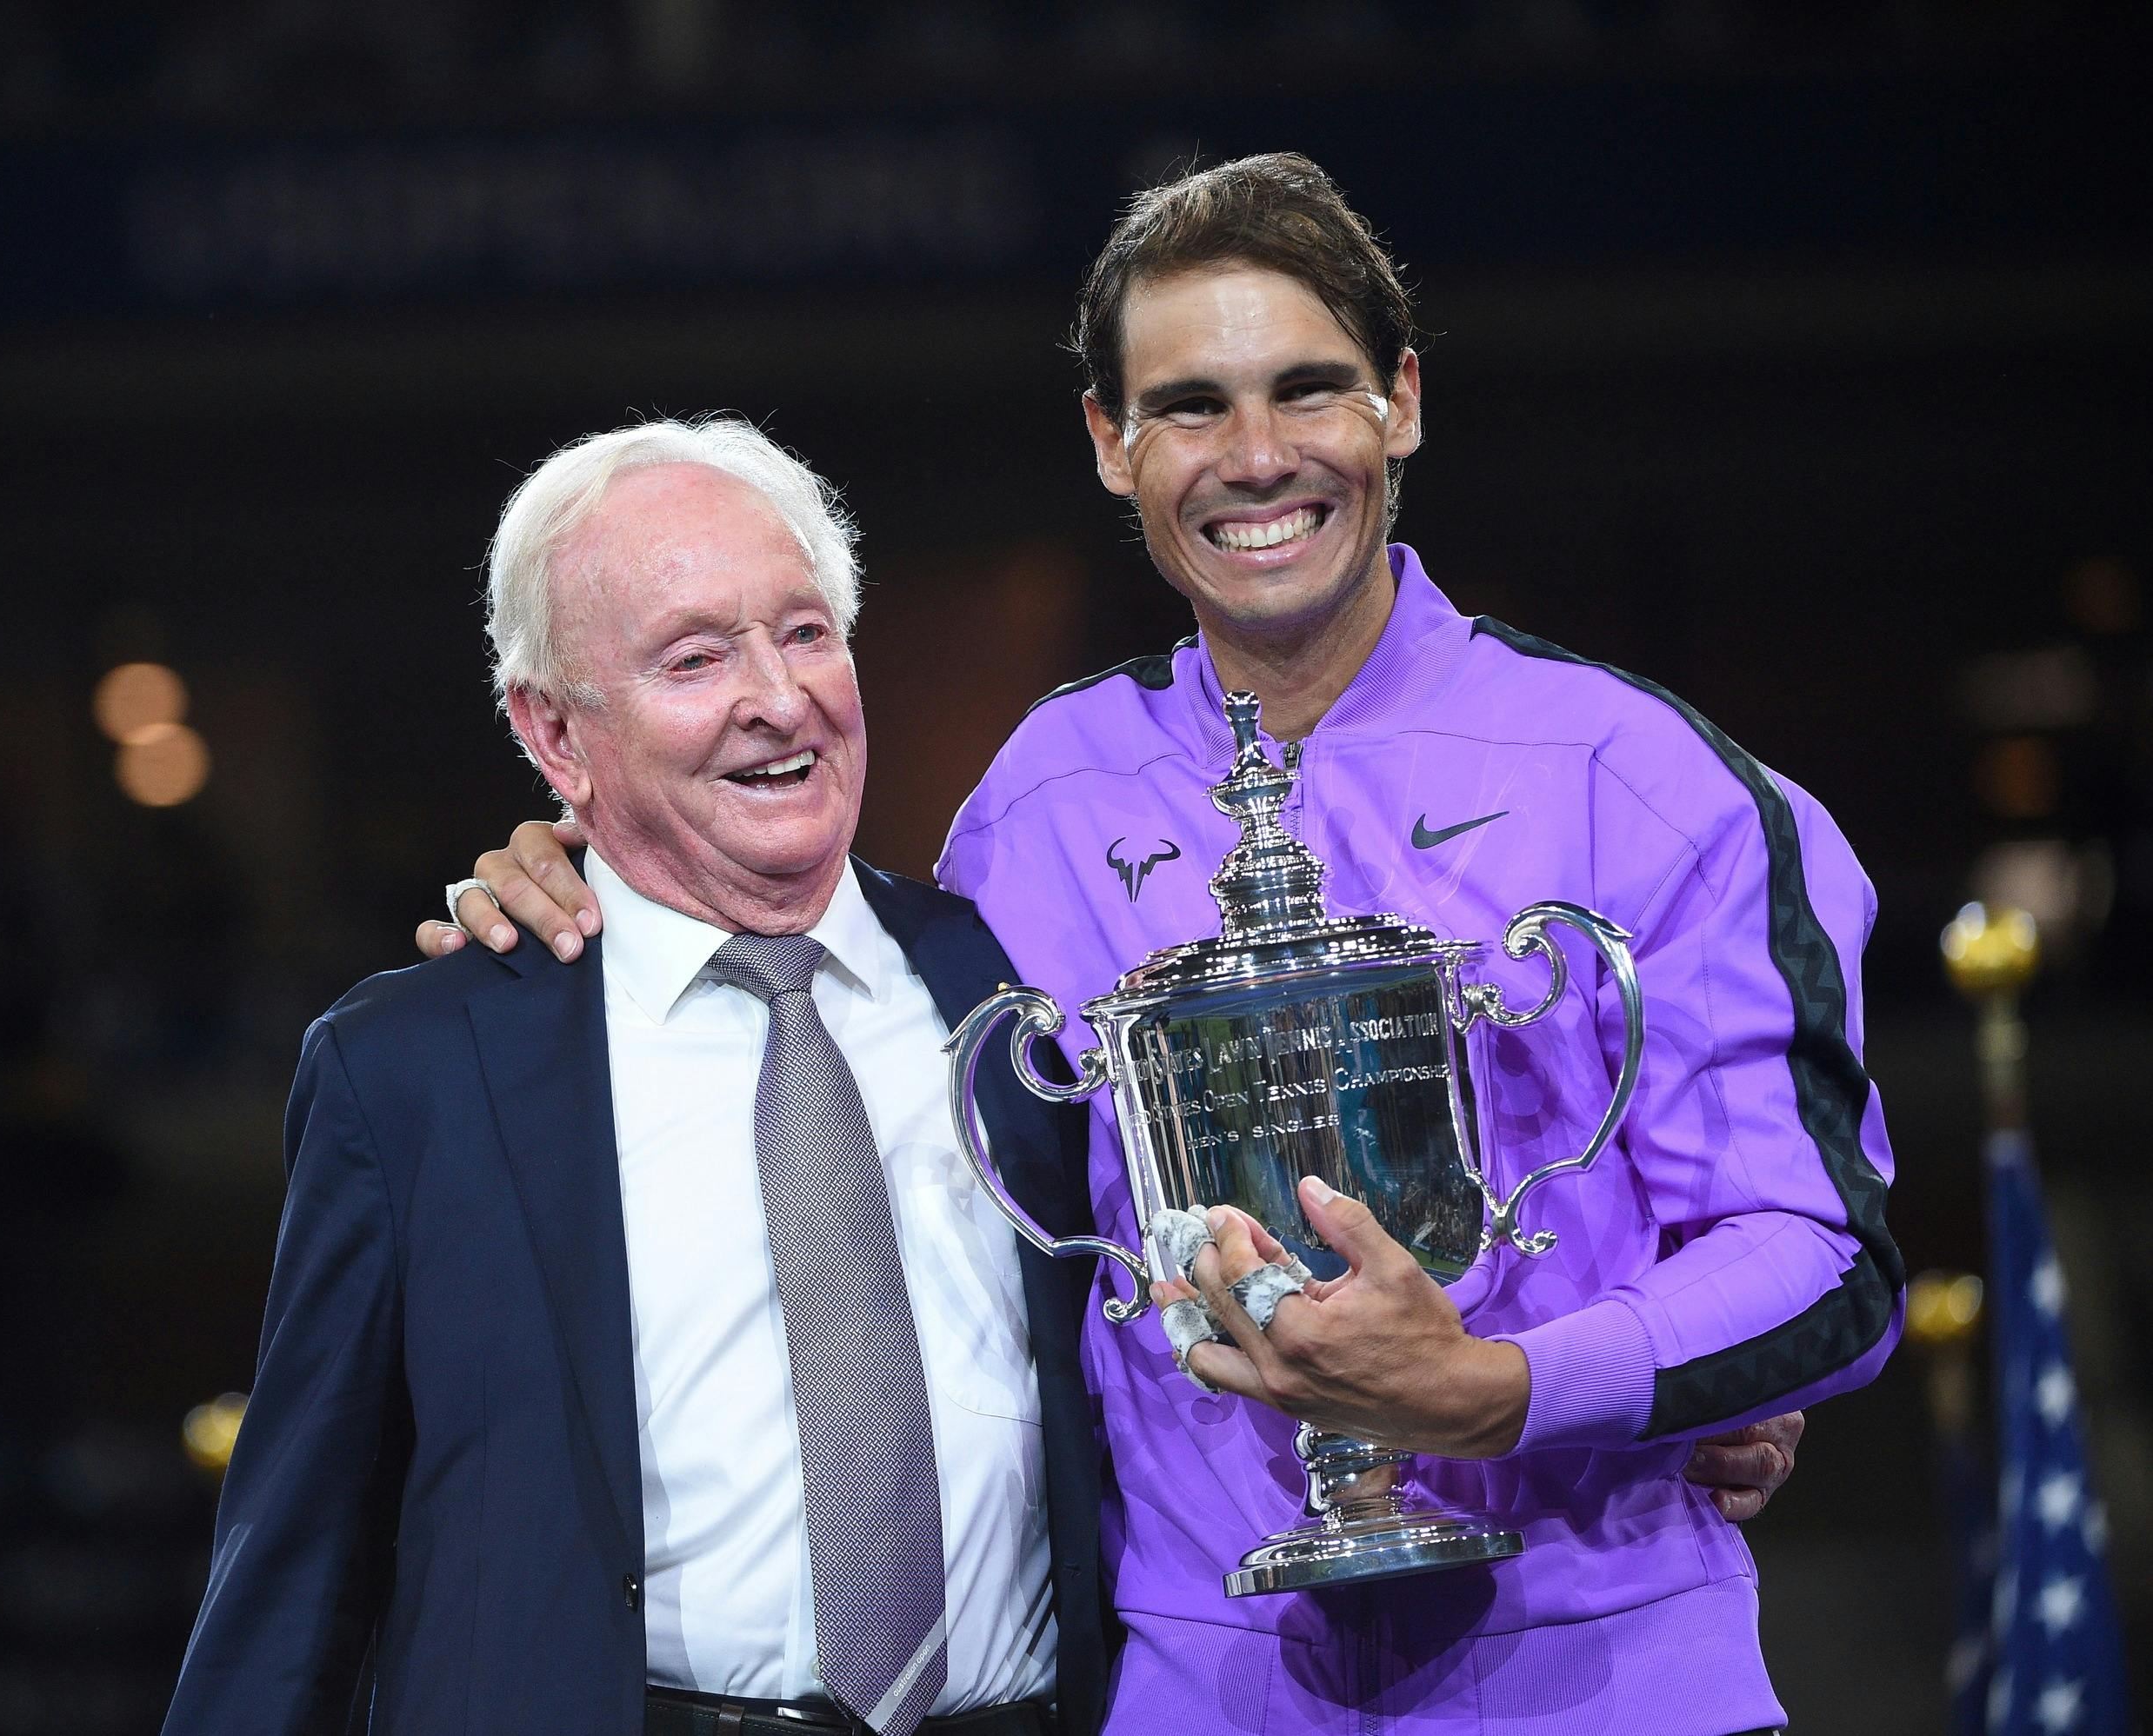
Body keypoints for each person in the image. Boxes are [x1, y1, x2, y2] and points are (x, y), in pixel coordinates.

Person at [423, 154, 1886, 1734]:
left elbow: (1824, 1261)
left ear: (1400, 401)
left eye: (1309, 390)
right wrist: (589, 872)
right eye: (1190, 406)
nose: (1256, 459)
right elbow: (879, 1106)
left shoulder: (1649, 782)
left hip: (1602, 1673)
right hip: (1196, 1685)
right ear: (1111, 446)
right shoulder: (1035, 812)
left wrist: (1519, 1388)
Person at [163, 421, 1111, 1736]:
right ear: (555, 733)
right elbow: (292, 1577)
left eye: (804, 632)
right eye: (695, 656)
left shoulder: (1012, 988)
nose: (777, 697)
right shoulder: (419, 1073)